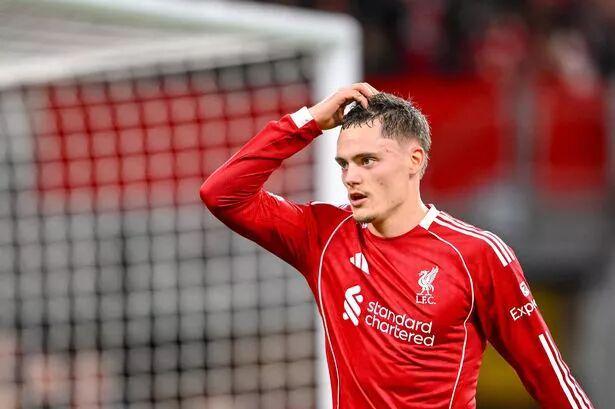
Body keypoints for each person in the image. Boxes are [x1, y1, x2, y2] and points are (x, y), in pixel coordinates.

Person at [200, 83, 594, 408]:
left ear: (414, 160)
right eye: (344, 164)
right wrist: (309, 122)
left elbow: (547, 375)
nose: (351, 177)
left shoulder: (477, 254)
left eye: (367, 160)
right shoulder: (323, 235)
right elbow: (222, 194)